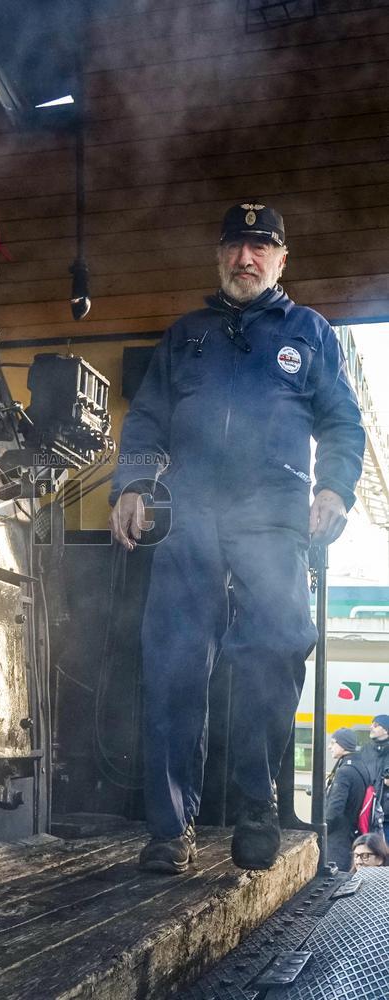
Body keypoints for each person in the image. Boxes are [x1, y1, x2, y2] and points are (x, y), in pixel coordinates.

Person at [109, 203, 365, 873]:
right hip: (189, 513)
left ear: (282, 260)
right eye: (234, 247)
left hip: (274, 512)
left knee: (276, 648)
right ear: (219, 255)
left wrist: (333, 489)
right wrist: (130, 488)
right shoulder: (185, 335)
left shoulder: (308, 332)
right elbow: (146, 421)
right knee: (172, 664)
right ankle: (170, 831)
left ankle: (258, 799)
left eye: (260, 248)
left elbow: (342, 423)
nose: (244, 259)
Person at [325, 728, 369, 871]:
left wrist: (322, 830)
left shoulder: (344, 772)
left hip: (337, 841)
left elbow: (334, 810)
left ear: (343, 745)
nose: (329, 747)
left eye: (333, 743)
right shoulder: (361, 766)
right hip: (352, 835)